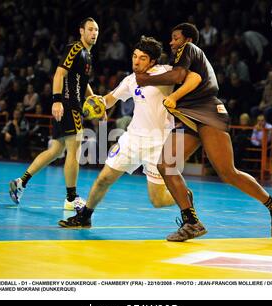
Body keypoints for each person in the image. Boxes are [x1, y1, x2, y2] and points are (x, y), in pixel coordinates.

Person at [136, 23, 272, 242]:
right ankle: (191, 222)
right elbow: (180, 77)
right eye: (171, 39)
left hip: (207, 111)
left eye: (176, 38)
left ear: (188, 40)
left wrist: (146, 79)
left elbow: (178, 76)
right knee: (165, 164)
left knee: (227, 173)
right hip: (188, 115)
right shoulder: (184, 58)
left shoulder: (189, 50)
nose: (172, 42)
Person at [59, 36, 201, 228]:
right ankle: (84, 217)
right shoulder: (130, 80)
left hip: (160, 144)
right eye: (134, 56)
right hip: (132, 139)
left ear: (152, 61)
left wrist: (175, 96)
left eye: (142, 58)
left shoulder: (166, 73)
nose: (136, 61)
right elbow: (110, 99)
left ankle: (185, 195)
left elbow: (194, 76)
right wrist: (98, 103)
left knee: (157, 201)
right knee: (103, 178)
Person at [9, 17, 99, 210]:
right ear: (81, 31)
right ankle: (70, 198)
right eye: (90, 29)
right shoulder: (75, 48)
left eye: (96, 30)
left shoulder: (88, 55)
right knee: (73, 152)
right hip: (69, 106)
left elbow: (83, 84)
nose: (94, 33)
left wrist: (96, 101)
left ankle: (20, 183)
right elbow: (59, 74)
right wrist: (57, 100)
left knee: (56, 150)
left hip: (72, 106)